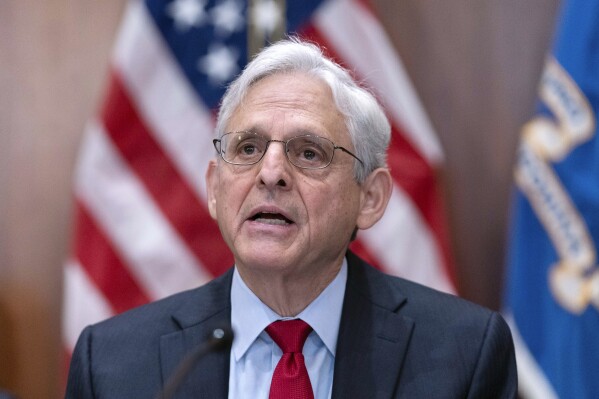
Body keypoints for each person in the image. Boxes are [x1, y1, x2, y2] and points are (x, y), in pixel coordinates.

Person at [65, 38, 517, 398]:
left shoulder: (464, 353)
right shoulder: (112, 364)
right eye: (247, 148)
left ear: (371, 197)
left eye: (309, 153)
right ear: (214, 190)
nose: (271, 173)